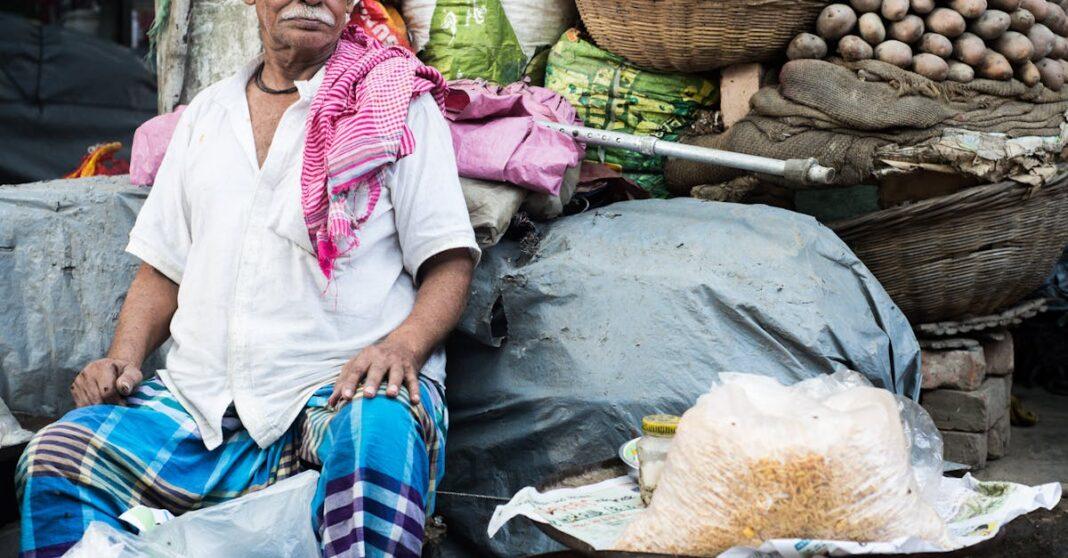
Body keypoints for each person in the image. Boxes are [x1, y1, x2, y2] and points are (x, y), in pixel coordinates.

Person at [16, 1, 479, 556]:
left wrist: (403, 346)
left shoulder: (395, 106)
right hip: (201, 403)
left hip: (337, 392)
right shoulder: (208, 114)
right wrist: (124, 357)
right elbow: (163, 268)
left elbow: (449, 260)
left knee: (378, 437)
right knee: (58, 458)